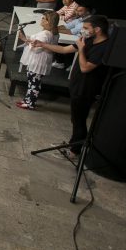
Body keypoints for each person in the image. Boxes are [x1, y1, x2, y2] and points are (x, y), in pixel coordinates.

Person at [32, 15, 110, 158]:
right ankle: (74, 143)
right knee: (76, 118)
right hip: (77, 85)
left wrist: (81, 49)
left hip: (86, 89)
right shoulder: (89, 40)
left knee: (79, 119)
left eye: (86, 28)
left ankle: (74, 150)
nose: (83, 31)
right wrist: (43, 45)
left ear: (97, 29)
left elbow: (85, 67)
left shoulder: (104, 48)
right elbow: (65, 50)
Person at [16, 12, 59, 110]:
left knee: (33, 83)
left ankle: (30, 103)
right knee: (33, 82)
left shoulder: (45, 34)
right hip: (42, 60)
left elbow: (37, 48)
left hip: (38, 61)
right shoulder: (54, 33)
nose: (42, 19)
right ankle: (27, 100)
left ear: (49, 22)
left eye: (44, 18)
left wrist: (24, 39)